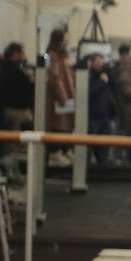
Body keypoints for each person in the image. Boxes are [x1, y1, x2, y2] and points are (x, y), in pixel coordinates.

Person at [43, 27, 76, 168]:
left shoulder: (65, 57)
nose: (68, 41)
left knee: (67, 127)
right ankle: (55, 154)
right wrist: (62, 97)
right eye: (66, 39)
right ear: (59, 40)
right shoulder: (51, 56)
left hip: (68, 97)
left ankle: (65, 150)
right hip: (57, 99)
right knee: (57, 126)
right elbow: (54, 78)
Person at [84, 52, 119, 166]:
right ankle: (87, 166)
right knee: (90, 143)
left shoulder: (105, 76)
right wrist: (101, 82)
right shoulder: (89, 77)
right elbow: (89, 92)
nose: (100, 65)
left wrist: (110, 75)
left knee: (105, 143)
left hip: (106, 115)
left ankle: (102, 164)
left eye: (102, 63)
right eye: (98, 62)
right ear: (92, 63)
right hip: (93, 115)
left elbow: (116, 89)